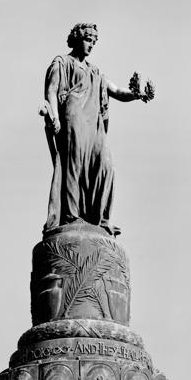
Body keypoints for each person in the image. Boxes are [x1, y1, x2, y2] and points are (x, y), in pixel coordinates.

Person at [40, 22, 152, 234]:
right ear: (77, 38)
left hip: (94, 125)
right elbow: (52, 90)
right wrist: (55, 117)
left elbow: (117, 91)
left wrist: (137, 94)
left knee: (106, 165)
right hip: (73, 117)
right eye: (88, 40)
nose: (91, 45)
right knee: (74, 164)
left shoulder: (95, 72)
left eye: (94, 42)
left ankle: (101, 219)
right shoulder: (62, 63)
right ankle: (71, 216)